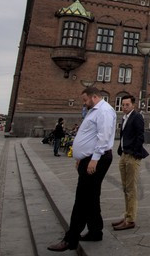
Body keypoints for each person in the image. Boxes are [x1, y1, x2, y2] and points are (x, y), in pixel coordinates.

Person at [47, 87, 116, 252]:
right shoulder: (94, 110)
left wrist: (94, 159)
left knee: (82, 198)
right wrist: (80, 157)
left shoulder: (104, 111)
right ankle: (95, 231)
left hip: (96, 158)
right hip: (89, 158)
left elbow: (103, 136)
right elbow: (89, 135)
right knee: (91, 196)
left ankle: (70, 239)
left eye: (85, 100)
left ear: (94, 97)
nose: (83, 103)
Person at [112, 94, 148, 231]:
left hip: (132, 156)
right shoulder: (124, 117)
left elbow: (140, 136)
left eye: (127, 105)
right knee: (126, 188)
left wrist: (134, 152)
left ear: (133, 105)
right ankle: (127, 215)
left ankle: (130, 219)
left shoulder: (137, 117)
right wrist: (121, 150)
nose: (124, 107)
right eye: (123, 105)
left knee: (131, 189)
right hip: (124, 155)